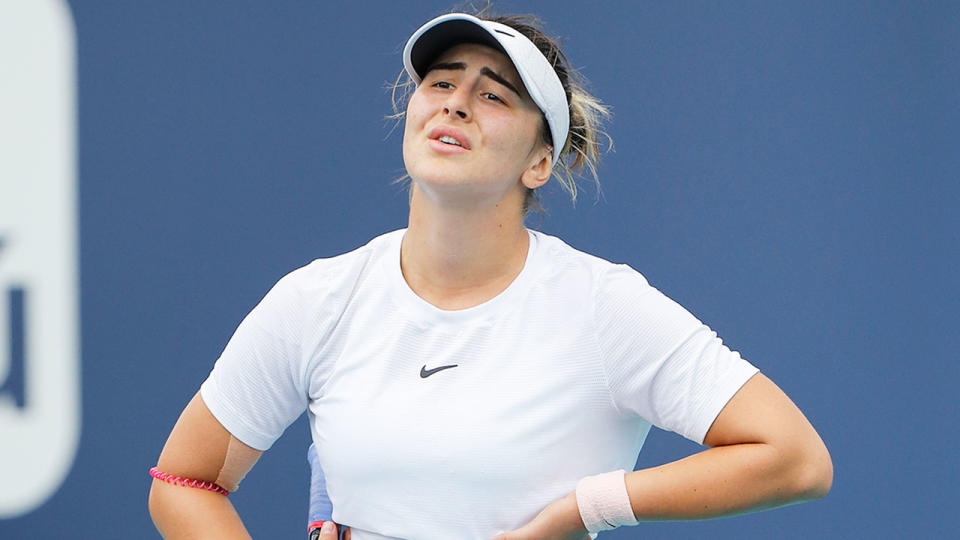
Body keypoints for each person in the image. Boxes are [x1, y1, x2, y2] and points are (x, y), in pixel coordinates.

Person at [148, 9, 832, 540]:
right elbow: (184, 480)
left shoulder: (601, 306)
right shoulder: (318, 300)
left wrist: (583, 508)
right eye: (441, 82)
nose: (455, 102)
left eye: (494, 95)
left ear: (539, 163)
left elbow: (794, 457)